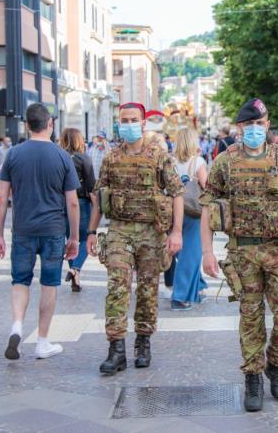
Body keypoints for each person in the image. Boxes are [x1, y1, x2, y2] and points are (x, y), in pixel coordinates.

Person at [201, 98, 278, 412]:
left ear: (267, 125)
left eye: (259, 124)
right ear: (240, 128)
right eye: (248, 125)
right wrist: (208, 252)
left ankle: (276, 363)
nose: (254, 130)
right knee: (250, 317)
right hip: (242, 250)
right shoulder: (225, 161)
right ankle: (253, 375)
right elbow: (210, 207)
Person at [87, 102, 184, 376]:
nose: (127, 124)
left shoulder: (159, 156)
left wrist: (176, 232)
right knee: (117, 287)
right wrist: (91, 232)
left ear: (143, 123)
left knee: (147, 290)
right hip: (119, 229)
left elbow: (177, 193)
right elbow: (99, 197)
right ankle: (116, 348)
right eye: (123, 120)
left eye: (132, 119)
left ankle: (143, 342)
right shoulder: (111, 158)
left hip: (151, 233)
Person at [0, 103, 80, 361]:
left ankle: (17, 326)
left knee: (20, 280)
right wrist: (73, 237)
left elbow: (1, 198)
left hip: (23, 229)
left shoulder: (14, 154)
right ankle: (42, 341)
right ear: (50, 124)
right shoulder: (62, 156)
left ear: (27, 125)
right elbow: (72, 202)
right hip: (53, 229)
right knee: (49, 284)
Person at [170, 127, 209, 310]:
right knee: (190, 254)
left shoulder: (170, 162)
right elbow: (207, 187)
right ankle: (180, 296)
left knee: (182, 252)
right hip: (194, 214)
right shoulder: (198, 162)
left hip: (171, 211)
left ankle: (198, 287)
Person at [59, 128, 97, 292]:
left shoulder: (58, 157)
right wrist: (98, 207)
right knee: (83, 239)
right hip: (81, 202)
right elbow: (91, 186)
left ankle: (76, 276)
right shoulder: (84, 159)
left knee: (70, 238)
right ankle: (75, 269)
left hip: (61, 202)